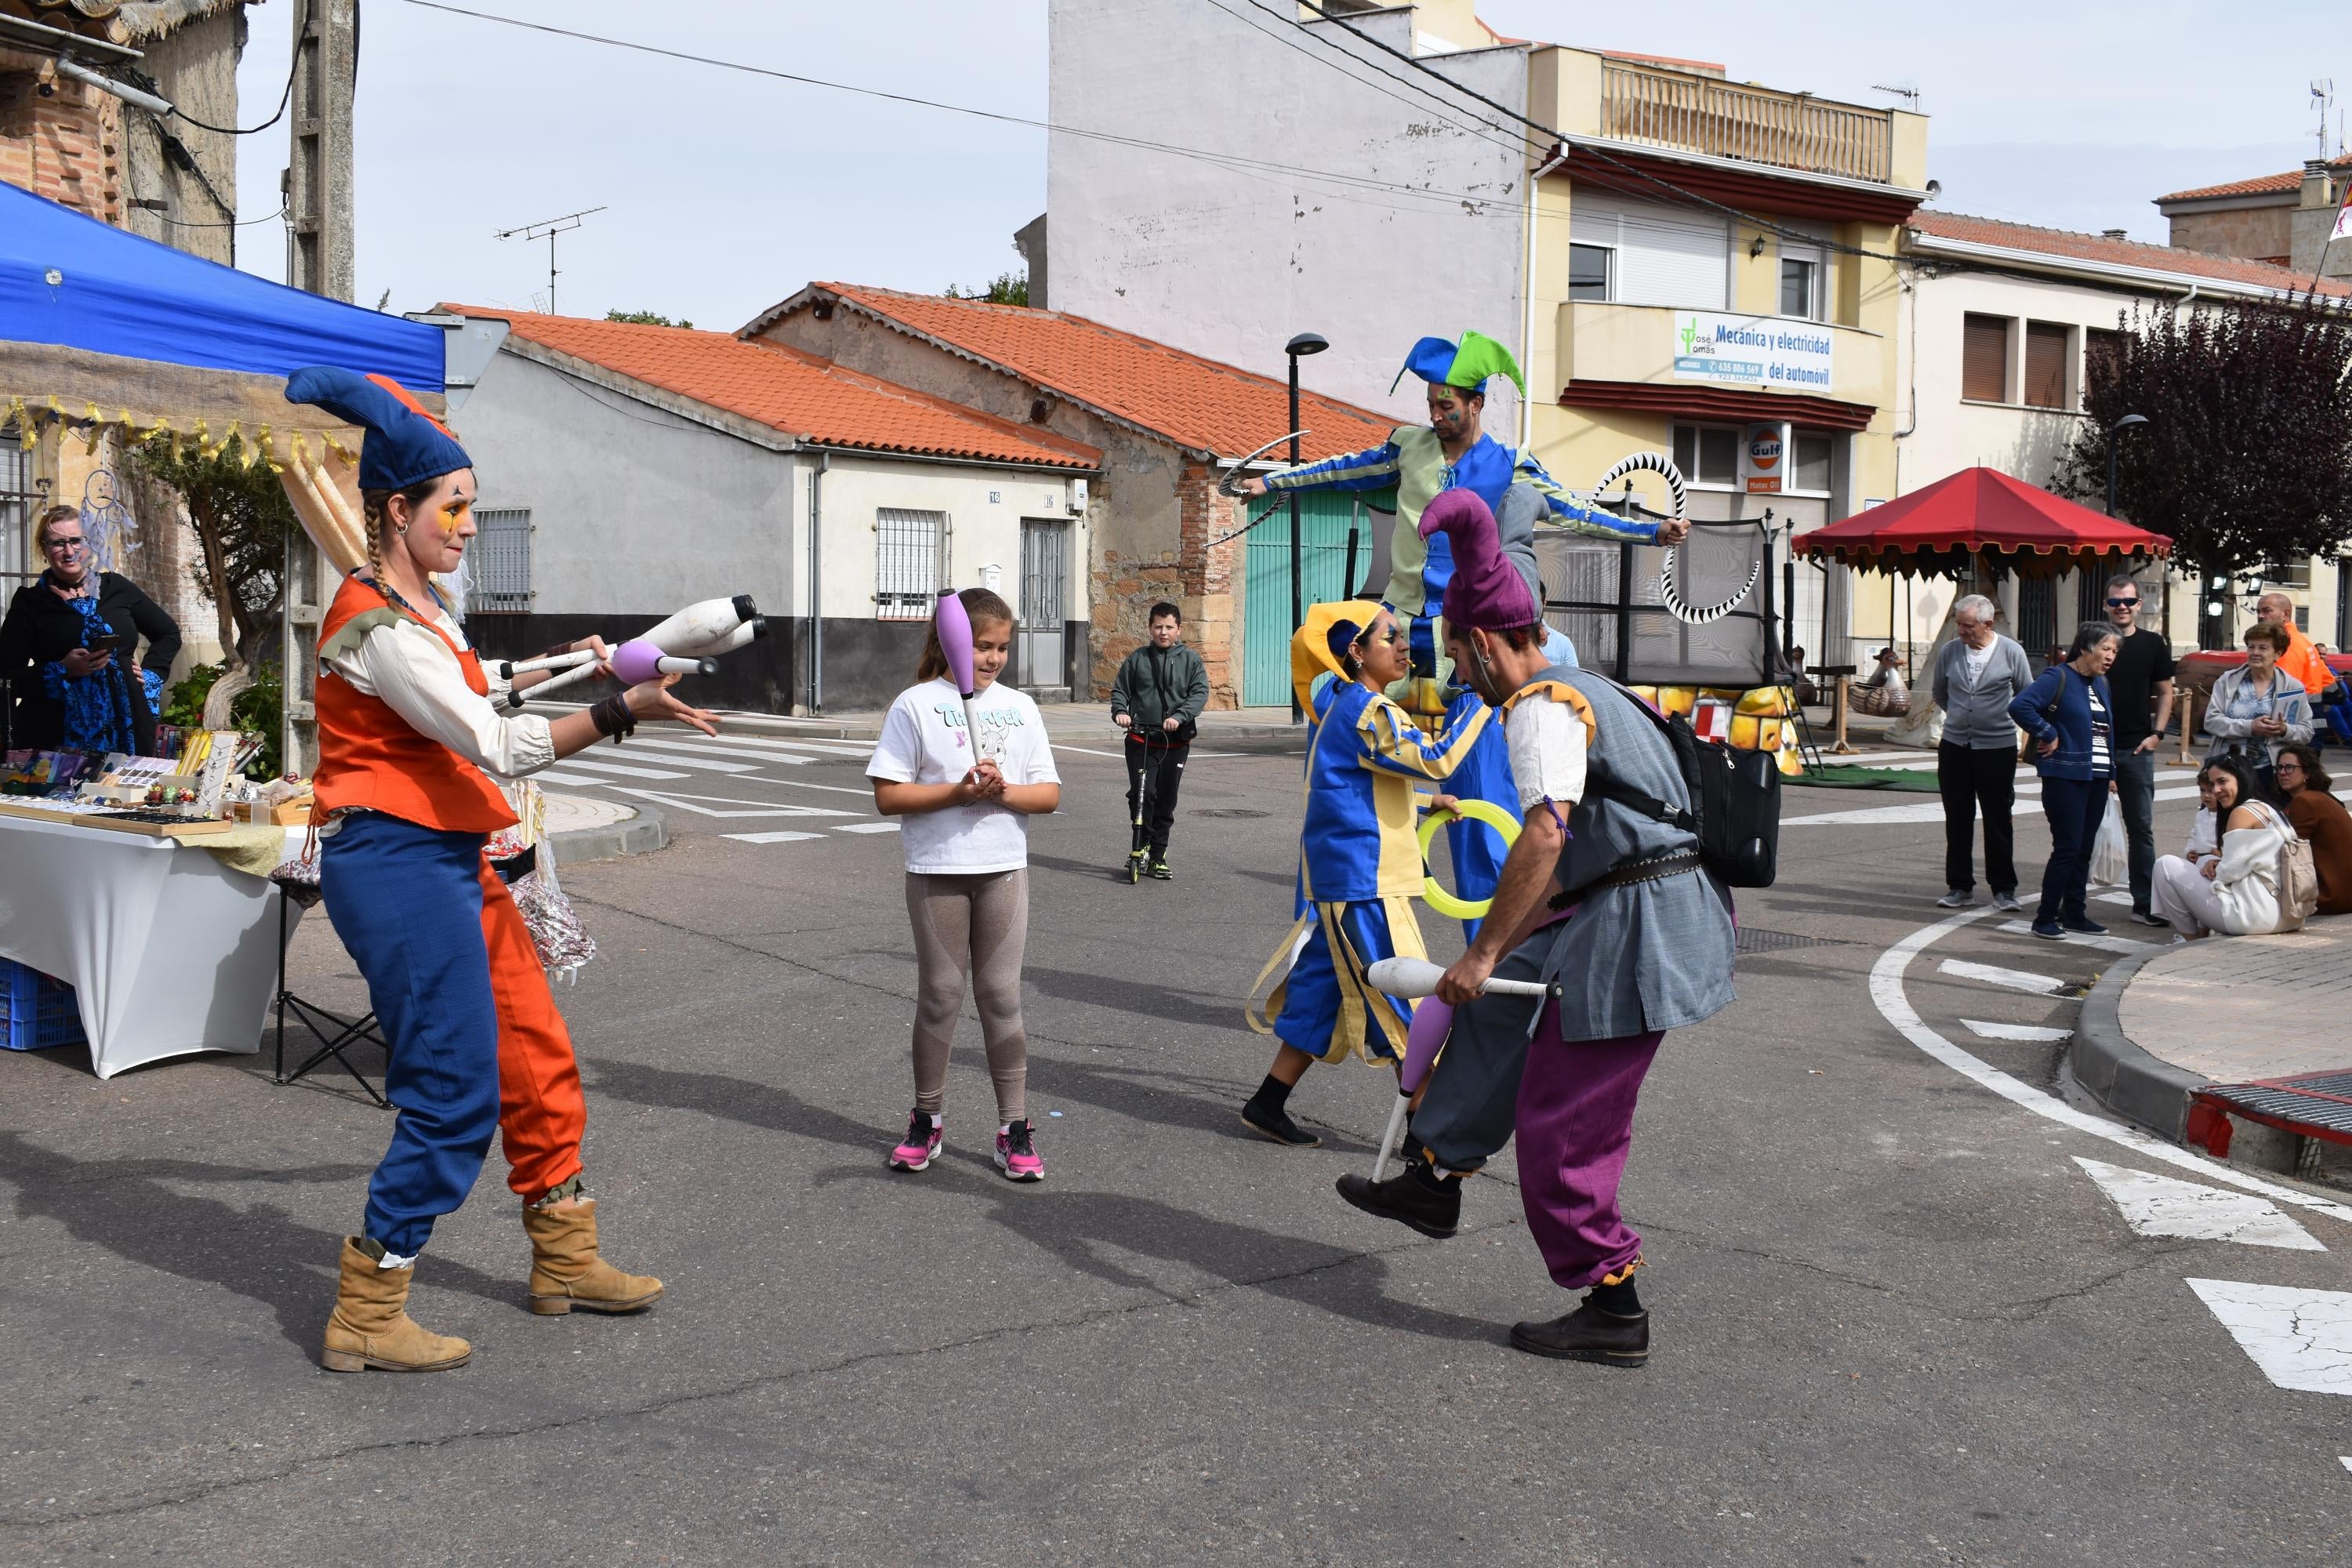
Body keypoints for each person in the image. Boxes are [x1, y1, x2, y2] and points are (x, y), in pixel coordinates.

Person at [284, 366, 713, 1374]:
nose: (470, 525)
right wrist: (618, 711)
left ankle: (564, 1256)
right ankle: (370, 1299)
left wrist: (586, 663)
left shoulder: (418, 605)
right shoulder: (372, 621)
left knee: (535, 1052)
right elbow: (496, 741)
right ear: (399, 508)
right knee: (453, 1085)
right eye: (456, 506)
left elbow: (478, 682)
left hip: (445, 853)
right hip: (391, 862)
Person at [1348, 486, 1733, 1363]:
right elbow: (1576, 847)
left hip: (1641, 921)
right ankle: (1435, 1174)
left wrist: (1483, 948)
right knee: (1489, 1011)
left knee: (1566, 1124)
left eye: (1456, 657)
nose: (1456, 678)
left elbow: (1548, 830)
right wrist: (1490, 960)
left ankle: (1614, 1303)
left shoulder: (1538, 707)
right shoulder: (1588, 680)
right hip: (1618, 902)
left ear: (1484, 641)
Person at [1240, 597, 1488, 1147]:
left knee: (1317, 997)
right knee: (1409, 1006)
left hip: (1348, 880)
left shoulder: (1354, 707)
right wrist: (1479, 700)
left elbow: (1356, 790)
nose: (1404, 646)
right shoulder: (1368, 711)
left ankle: (1267, 1103)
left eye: (1402, 637)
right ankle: (1425, 1135)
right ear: (1356, 651)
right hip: (1364, 885)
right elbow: (1437, 756)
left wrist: (1426, 803)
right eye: (1390, 638)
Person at [869, 587, 1062, 1181]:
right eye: (982, 645)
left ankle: (1015, 1126)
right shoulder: (915, 705)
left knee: (1002, 998)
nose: (993, 658)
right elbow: (888, 796)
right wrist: (959, 791)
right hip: (937, 873)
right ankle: (927, 1120)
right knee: (941, 999)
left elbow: (1049, 795)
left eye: (1003, 647)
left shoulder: (1020, 707)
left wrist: (999, 790)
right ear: (951, 643)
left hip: (1002, 870)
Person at [0, 505, 180, 757]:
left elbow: (168, 634)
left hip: (129, 730)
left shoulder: (117, 588)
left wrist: (149, 677)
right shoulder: (31, 603)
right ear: (44, 550)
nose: (69, 551)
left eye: (76, 541)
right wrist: (62, 669)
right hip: (56, 739)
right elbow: (6, 678)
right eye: (57, 544)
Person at [2011, 621, 2119, 940]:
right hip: (2064, 775)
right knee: (2067, 847)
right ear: (2085, 647)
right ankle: (2045, 918)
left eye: (2114, 650)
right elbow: (2020, 706)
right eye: (2105, 649)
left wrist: (2111, 774)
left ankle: (2075, 913)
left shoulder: (2102, 684)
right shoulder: (2057, 676)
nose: (2111, 656)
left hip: (2097, 775)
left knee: (2085, 848)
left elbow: (2105, 732)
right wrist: (2049, 733)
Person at [1932, 596, 2033, 911]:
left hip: (1998, 747)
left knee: (1998, 817)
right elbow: (1940, 692)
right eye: (1958, 624)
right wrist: (1962, 717)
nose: (1961, 630)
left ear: (1987, 624)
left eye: (1968, 625)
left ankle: (2004, 888)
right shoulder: (1949, 652)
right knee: (1958, 817)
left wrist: (2001, 722)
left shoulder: (2011, 651)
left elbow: (2027, 694)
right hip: (1955, 746)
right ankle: (1959, 886)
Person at [2097, 575, 2176, 927]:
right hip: (2095, 745)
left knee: (2141, 828)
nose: (2122, 608)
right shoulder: (2092, 640)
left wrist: (2158, 734)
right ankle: (2069, 901)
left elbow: (2165, 691)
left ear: (2139, 605)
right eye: (2115, 602)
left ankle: (2144, 903)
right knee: (2079, 826)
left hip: (2137, 747)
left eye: (2128, 601)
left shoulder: (2152, 644)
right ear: (2106, 606)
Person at [1109, 600, 1207, 880]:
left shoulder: (1191, 660)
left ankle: (1159, 854)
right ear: (1150, 628)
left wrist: (1180, 716)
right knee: (1143, 793)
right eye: (1157, 627)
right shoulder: (1137, 659)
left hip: (1174, 742)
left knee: (1166, 798)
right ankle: (1141, 844)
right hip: (1141, 739)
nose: (1163, 632)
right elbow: (1120, 691)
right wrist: (1120, 712)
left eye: (1169, 627)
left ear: (1179, 629)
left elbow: (1199, 694)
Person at [2150, 756, 2299, 938]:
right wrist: (2214, 862)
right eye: (2212, 784)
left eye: (2222, 782)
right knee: (2205, 861)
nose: (2216, 790)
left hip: (2255, 918)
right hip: (2288, 914)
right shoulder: (2268, 808)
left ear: (2241, 778)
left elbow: (2229, 873)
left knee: (2164, 866)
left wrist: (2217, 866)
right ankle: (2200, 933)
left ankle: (2190, 942)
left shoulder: (2242, 812)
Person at [2205, 621, 2312, 789]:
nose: (2255, 653)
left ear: (2278, 653)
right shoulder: (2228, 681)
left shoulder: (2293, 686)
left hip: (2271, 771)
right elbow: (2211, 721)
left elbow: (2306, 732)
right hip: (2229, 769)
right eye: (2251, 647)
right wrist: (2249, 727)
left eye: (2263, 648)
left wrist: (2284, 730)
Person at [2275, 742, 2352, 916]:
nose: (2282, 772)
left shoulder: (2305, 801)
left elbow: (2287, 849)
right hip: (2345, 892)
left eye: (2289, 767)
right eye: (2279, 767)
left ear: (2308, 773)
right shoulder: (2321, 797)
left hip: (2331, 896)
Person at [2254, 592, 2331, 703]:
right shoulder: (2306, 643)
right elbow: (2330, 685)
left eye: (2267, 611)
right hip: (2312, 716)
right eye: (2258, 611)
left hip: (2291, 717)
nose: (2260, 616)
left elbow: (2282, 692)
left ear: (2285, 614)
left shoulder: (2284, 644)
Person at [1847, 646, 1909, 717]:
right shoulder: (1882, 698)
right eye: (1891, 658)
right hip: (1877, 699)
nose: (1896, 660)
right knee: (1880, 699)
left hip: (1879, 690)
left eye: (1896, 658)